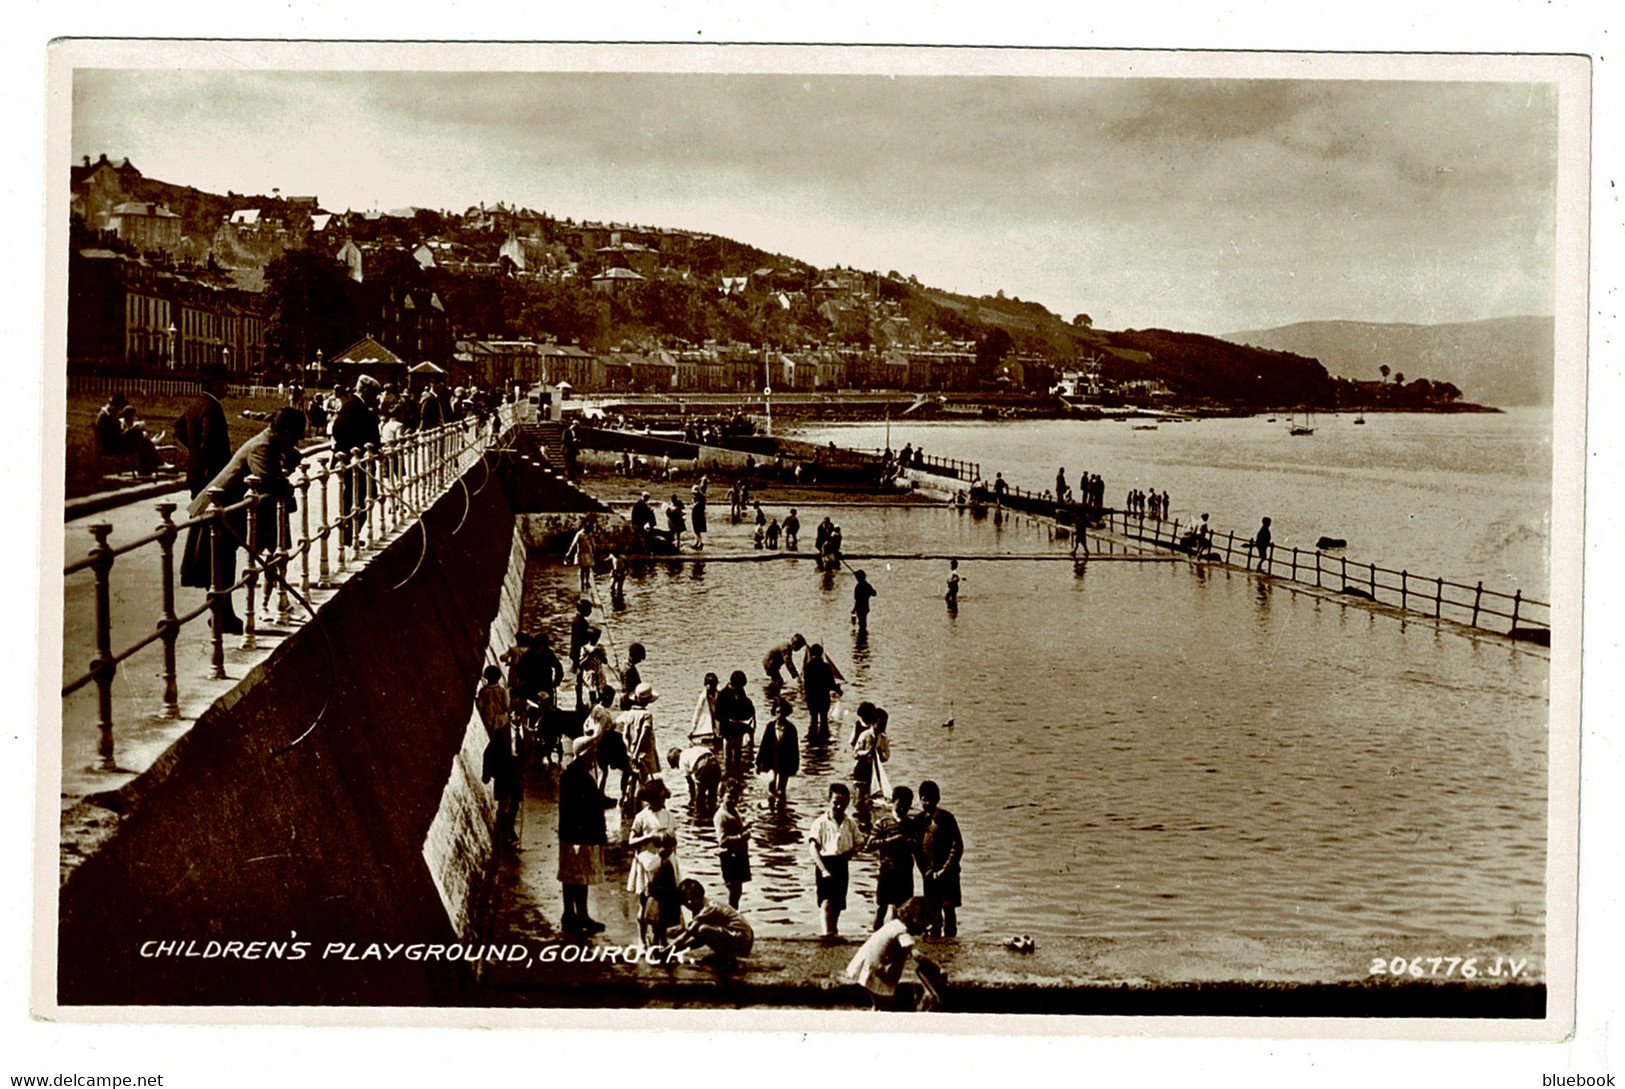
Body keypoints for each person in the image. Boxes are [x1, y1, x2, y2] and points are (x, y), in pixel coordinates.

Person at [185, 408, 307, 627]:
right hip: (216, 508)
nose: (294, 443)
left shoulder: (270, 442)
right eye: (294, 438)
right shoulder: (262, 447)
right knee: (219, 563)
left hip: (228, 508)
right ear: (283, 433)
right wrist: (287, 488)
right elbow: (270, 482)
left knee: (224, 561)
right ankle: (221, 616)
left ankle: (223, 615)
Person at [176, 366, 240, 633]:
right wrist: (210, 471)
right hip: (213, 487)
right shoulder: (212, 409)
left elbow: (179, 429)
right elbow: (209, 444)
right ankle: (222, 613)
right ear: (213, 383)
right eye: (224, 382)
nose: (227, 387)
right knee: (221, 549)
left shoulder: (195, 405)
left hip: (199, 483)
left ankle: (221, 609)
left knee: (209, 549)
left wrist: (193, 461)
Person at [557, 730, 610, 934]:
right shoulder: (574, 776)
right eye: (591, 754)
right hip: (577, 836)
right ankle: (573, 915)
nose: (594, 758)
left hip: (577, 835)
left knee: (577, 877)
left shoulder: (575, 774)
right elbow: (573, 809)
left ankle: (578, 914)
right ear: (583, 755)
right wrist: (579, 837)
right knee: (574, 877)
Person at [845, 896, 937, 1010]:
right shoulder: (902, 933)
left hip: (869, 965)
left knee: (878, 1004)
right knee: (884, 1005)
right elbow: (917, 955)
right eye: (924, 927)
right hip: (878, 973)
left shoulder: (894, 924)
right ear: (916, 921)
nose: (923, 932)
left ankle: (873, 1012)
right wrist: (937, 968)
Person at [807, 782, 862, 940]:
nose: (839, 806)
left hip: (841, 863)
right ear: (829, 800)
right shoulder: (820, 822)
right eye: (836, 802)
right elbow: (813, 848)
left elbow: (860, 841)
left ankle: (834, 930)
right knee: (826, 902)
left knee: (837, 905)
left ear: (848, 803)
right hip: (824, 862)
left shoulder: (850, 823)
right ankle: (826, 935)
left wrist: (851, 853)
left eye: (843, 803)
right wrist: (823, 869)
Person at [668, 878, 755, 967]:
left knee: (703, 929)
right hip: (740, 934)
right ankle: (723, 955)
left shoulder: (708, 908)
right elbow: (699, 939)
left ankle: (727, 958)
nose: (689, 903)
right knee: (699, 929)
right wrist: (676, 950)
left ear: (699, 896)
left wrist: (668, 950)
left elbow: (687, 935)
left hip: (742, 937)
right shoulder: (701, 908)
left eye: (691, 899)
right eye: (686, 901)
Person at [915, 780, 964, 938]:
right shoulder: (919, 821)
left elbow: (957, 846)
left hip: (948, 873)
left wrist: (945, 869)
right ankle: (935, 941)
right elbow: (917, 851)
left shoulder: (947, 818)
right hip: (929, 875)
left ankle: (951, 940)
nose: (928, 803)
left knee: (949, 907)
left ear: (938, 799)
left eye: (931, 799)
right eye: (924, 799)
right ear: (920, 799)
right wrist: (927, 871)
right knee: (933, 911)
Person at [871, 786, 918, 930]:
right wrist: (890, 841)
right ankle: (875, 936)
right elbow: (870, 844)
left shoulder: (912, 824)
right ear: (892, 802)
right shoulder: (883, 822)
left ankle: (894, 938)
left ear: (910, 805)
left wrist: (910, 843)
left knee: (900, 909)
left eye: (906, 806)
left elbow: (919, 846)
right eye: (899, 805)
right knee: (881, 907)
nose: (902, 809)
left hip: (904, 872)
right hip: (887, 871)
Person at [627, 778, 678, 910]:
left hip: (665, 863)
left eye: (664, 798)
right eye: (659, 799)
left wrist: (669, 843)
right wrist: (650, 837)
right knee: (644, 903)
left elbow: (674, 842)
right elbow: (631, 842)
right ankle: (642, 930)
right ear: (650, 799)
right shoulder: (641, 817)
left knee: (665, 903)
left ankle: (659, 930)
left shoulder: (668, 816)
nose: (662, 801)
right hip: (647, 862)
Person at [640, 834, 682, 948]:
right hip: (662, 900)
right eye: (666, 847)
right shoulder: (665, 863)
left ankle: (662, 943)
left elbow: (650, 883)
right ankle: (657, 948)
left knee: (659, 926)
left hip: (655, 898)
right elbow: (671, 884)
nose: (668, 850)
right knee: (659, 928)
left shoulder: (654, 861)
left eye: (670, 847)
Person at [713, 783, 751, 908]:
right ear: (721, 796)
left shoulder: (733, 811)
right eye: (729, 797)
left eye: (736, 797)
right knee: (733, 890)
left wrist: (744, 827)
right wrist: (742, 837)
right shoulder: (721, 815)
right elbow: (722, 840)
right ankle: (731, 916)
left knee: (738, 891)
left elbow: (733, 830)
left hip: (739, 855)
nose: (733, 800)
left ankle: (734, 914)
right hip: (730, 856)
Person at [714, 670, 757, 781]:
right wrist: (722, 726)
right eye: (739, 685)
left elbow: (744, 707)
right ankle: (727, 774)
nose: (741, 687)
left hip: (738, 728)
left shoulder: (741, 691)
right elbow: (718, 714)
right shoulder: (723, 694)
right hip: (727, 729)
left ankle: (737, 774)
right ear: (734, 683)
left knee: (738, 753)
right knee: (728, 755)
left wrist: (747, 718)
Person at [756, 698, 801, 800]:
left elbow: (795, 750)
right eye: (778, 712)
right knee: (771, 782)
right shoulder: (770, 726)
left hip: (785, 763)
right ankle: (771, 806)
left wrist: (795, 765)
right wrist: (758, 763)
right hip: (771, 761)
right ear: (774, 713)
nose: (780, 715)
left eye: (782, 712)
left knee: (781, 789)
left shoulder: (791, 729)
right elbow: (763, 745)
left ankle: (781, 808)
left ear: (786, 713)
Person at [851, 707, 890, 817]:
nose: (883, 727)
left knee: (872, 798)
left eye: (885, 724)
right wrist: (867, 752)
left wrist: (880, 753)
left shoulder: (883, 738)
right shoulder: (865, 735)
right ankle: (859, 816)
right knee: (860, 798)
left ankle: (869, 819)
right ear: (872, 723)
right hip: (862, 769)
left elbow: (886, 756)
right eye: (880, 724)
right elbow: (855, 753)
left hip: (875, 770)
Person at [800, 643, 844, 740]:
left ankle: (812, 740)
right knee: (824, 721)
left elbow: (806, 685)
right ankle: (824, 740)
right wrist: (838, 690)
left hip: (812, 699)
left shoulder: (808, 667)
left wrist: (806, 696)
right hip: (823, 698)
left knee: (813, 721)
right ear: (821, 653)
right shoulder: (826, 667)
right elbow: (830, 683)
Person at [667, 743, 722, 812]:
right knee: (713, 792)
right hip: (715, 764)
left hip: (703, 765)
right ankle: (712, 811)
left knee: (700, 795)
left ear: (675, 760)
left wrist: (692, 800)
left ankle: (699, 815)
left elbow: (691, 783)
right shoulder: (692, 750)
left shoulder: (681, 760)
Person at [564, 521, 597, 591]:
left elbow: (593, 543)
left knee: (588, 568)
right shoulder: (579, 534)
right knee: (582, 568)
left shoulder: (590, 534)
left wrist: (594, 551)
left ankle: (587, 582)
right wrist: (569, 553)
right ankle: (582, 583)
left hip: (588, 553)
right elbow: (573, 544)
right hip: (581, 553)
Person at [689, 672, 721, 742]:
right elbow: (697, 712)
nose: (711, 689)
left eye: (713, 687)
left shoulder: (720, 694)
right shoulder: (703, 697)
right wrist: (693, 728)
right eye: (709, 687)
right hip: (708, 726)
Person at [619, 642, 647, 710]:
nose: (640, 661)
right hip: (629, 700)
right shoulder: (628, 669)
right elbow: (626, 689)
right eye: (639, 658)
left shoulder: (625, 665)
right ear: (633, 656)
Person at [689, 484, 707, 550]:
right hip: (697, 514)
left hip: (698, 515)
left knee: (697, 530)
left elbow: (695, 506)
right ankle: (697, 542)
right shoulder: (699, 498)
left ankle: (700, 543)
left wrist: (693, 505)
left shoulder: (700, 498)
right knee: (696, 530)